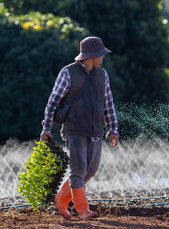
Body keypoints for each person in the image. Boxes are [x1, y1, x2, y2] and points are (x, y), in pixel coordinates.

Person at [40, 36, 119, 220]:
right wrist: (46, 126)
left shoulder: (102, 74)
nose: (103, 57)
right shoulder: (67, 73)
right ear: (92, 55)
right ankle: (83, 210)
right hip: (74, 130)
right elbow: (52, 102)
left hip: (95, 130)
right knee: (78, 170)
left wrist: (113, 129)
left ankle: (61, 198)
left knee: (90, 171)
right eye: (101, 54)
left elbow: (108, 104)